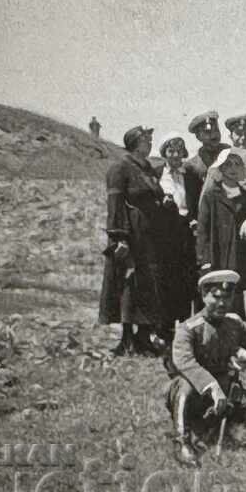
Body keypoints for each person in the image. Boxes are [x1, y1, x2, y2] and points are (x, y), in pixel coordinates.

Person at [166, 270, 246, 467]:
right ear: (204, 296)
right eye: (215, 297)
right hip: (195, 394)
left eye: (227, 298)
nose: (221, 303)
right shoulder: (188, 329)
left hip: (227, 391)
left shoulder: (234, 324)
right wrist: (211, 387)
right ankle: (182, 441)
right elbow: (185, 362)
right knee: (184, 385)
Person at [100, 125, 169, 356]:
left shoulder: (148, 169)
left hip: (151, 237)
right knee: (129, 284)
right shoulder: (120, 168)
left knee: (148, 285)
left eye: (150, 139)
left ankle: (143, 337)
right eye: (146, 139)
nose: (150, 143)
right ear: (134, 142)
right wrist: (119, 237)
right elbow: (115, 205)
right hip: (132, 236)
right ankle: (127, 339)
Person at [196, 148, 246, 317]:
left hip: (238, 256)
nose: (232, 168)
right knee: (215, 297)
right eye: (228, 164)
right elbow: (202, 230)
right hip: (217, 256)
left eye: (237, 164)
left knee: (235, 297)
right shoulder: (211, 196)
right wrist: (205, 260)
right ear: (221, 168)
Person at [155, 133, 202, 322]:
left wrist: (194, 220)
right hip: (164, 233)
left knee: (185, 279)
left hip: (186, 233)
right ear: (164, 153)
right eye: (170, 151)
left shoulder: (191, 176)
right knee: (165, 278)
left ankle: (182, 324)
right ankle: (164, 328)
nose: (175, 155)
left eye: (178, 151)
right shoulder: (156, 174)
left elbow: (198, 203)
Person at [184, 110, 229, 183]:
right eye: (208, 132)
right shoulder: (192, 166)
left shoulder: (231, 154)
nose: (214, 135)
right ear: (198, 137)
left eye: (216, 130)